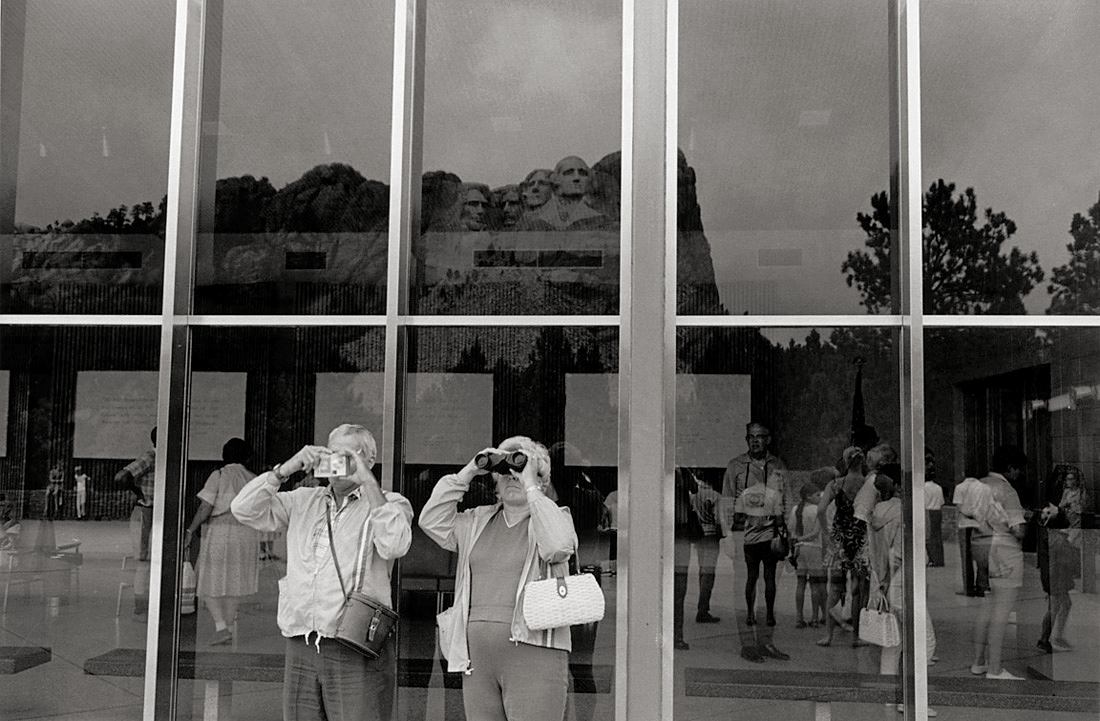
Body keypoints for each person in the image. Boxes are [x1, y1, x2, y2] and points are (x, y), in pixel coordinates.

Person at [231, 424, 413, 721]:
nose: (339, 463)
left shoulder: (390, 503)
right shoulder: (304, 499)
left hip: (353, 642)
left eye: (349, 455)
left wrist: (366, 482)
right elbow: (243, 509)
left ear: (370, 459)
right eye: (333, 454)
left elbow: (395, 544)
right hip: (301, 639)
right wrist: (285, 470)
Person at [419, 436, 578, 721]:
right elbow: (431, 520)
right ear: (494, 482)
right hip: (477, 656)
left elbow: (557, 546)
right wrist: (469, 470)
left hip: (534, 650)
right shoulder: (477, 520)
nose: (512, 478)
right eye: (504, 472)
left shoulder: (554, 517)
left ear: (540, 480)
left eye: (520, 470)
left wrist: (531, 487)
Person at [868, 464, 937, 714]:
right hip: (906, 580)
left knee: (893, 643)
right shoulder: (905, 511)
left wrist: (881, 584)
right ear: (899, 485)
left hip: (888, 582)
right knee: (924, 641)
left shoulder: (877, 511)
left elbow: (879, 553)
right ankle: (911, 697)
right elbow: (902, 552)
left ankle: (889, 694)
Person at [184, 438, 261, 645]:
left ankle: (221, 626)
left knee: (208, 579)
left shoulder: (218, 475)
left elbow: (205, 507)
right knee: (233, 581)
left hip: (221, 531)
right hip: (246, 533)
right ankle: (226, 627)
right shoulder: (253, 478)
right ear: (247, 456)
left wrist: (191, 529)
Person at [964, 445, 1027, 680]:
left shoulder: (977, 486)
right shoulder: (1007, 491)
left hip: (981, 549)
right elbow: (1018, 529)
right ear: (1010, 468)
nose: (1019, 474)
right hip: (1004, 552)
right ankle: (995, 668)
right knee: (1002, 611)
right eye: (1018, 469)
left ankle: (978, 661)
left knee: (987, 607)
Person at [733, 463, 789, 662]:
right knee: (769, 578)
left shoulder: (746, 493)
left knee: (751, 578)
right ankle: (769, 615)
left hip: (750, 542)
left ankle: (750, 613)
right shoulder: (772, 495)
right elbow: (780, 520)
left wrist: (752, 520)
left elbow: (738, 517)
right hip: (768, 542)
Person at [817, 445, 871, 647]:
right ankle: (857, 635)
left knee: (835, 589)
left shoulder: (835, 484)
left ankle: (828, 635)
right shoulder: (868, 484)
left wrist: (828, 535)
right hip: (861, 539)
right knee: (859, 590)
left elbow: (821, 510)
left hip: (839, 539)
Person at [1036, 464, 1088, 653]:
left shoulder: (1061, 510)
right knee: (1058, 602)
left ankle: (1052, 636)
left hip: (1058, 561)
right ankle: (1047, 638)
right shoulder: (1056, 532)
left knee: (1063, 602)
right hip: (1058, 562)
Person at [114, 426, 157, 617]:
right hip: (146, 510)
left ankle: (151, 601)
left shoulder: (167, 459)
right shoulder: (151, 457)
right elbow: (121, 476)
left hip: (157, 513)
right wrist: (138, 492)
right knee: (144, 560)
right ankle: (140, 604)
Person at [790, 478, 828, 628]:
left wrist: (797, 540)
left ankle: (799, 617)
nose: (820, 498)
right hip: (814, 548)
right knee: (815, 584)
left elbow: (791, 530)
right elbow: (815, 533)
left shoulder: (795, 510)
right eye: (817, 495)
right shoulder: (818, 511)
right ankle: (814, 617)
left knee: (800, 583)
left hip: (799, 548)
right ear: (808, 496)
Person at [690, 471, 723, 624]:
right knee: (709, 574)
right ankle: (703, 609)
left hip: (698, 536)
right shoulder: (715, 496)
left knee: (702, 572)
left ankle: (702, 607)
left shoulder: (692, 496)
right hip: (710, 536)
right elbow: (718, 519)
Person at [952, 475, 985, 597]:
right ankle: (981, 586)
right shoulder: (983, 488)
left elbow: (959, 506)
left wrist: (969, 514)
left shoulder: (960, 487)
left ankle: (968, 587)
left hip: (964, 524)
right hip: (979, 523)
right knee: (981, 555)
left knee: (966, 557)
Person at [924, 448, 945, 567]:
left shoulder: (924, 487)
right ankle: (939, 558)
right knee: (937, 536)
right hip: (938, 511)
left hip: (928, 512)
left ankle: (932, 558)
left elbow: (924, 502)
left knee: (929, 537)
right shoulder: (938, 487)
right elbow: (941, 501)